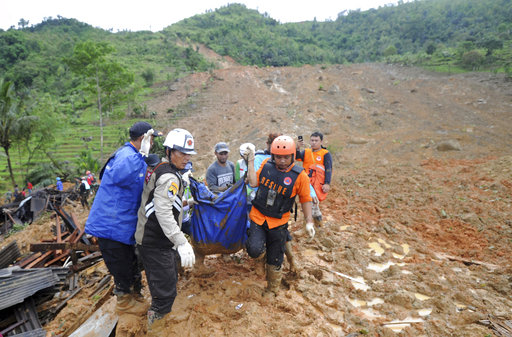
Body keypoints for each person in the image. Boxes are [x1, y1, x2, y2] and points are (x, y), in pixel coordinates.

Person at [85, 121, 158, 316]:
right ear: (143, 139)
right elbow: (119, 175)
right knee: (122, 266)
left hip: (122, 225)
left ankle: (135, 296)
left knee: (130, 262)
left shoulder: (135, 158)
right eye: (151, 139)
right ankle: (125, 303)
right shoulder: (127, 156)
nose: (153, 143)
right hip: (112, 224)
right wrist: (141, 155)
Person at [135, 128, 196, 327]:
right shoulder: (170, 178)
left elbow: (164, 203)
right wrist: (181, 241)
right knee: (165, 294)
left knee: (166, 281)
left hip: (154, 238)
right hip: (155, 241)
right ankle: (155, 328)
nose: (186, 158)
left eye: (189, 154)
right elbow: (163, 211)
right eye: (182, 153)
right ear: (169, 151)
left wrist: (186, 202)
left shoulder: (162, 167)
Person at [245, 135, 315, 297]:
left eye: (285, 157)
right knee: (254, 249)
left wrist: (309, 222)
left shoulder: (300, 176)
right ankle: (261, 260)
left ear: (292, 156)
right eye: (278, 157)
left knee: (275, 258)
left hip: (279, 221)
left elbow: (305, 199)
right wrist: (250, 161)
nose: (282, 161)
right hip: (258, 216)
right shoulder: (265, 165)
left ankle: (272, 289)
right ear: (272, 155)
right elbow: (253, 183)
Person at [296, 131, 333, 226]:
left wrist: (327, 183)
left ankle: (314, 225)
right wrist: (298, 147)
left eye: (316, 140)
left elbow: (328, 169)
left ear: (321, 142)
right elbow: (296, 157)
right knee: (309, 203)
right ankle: (316, 225)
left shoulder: (325, 153)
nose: (313, 142)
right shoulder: (306, 152)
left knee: (312, 203)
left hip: (317, 183)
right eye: (312, 140)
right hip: (306, 182)